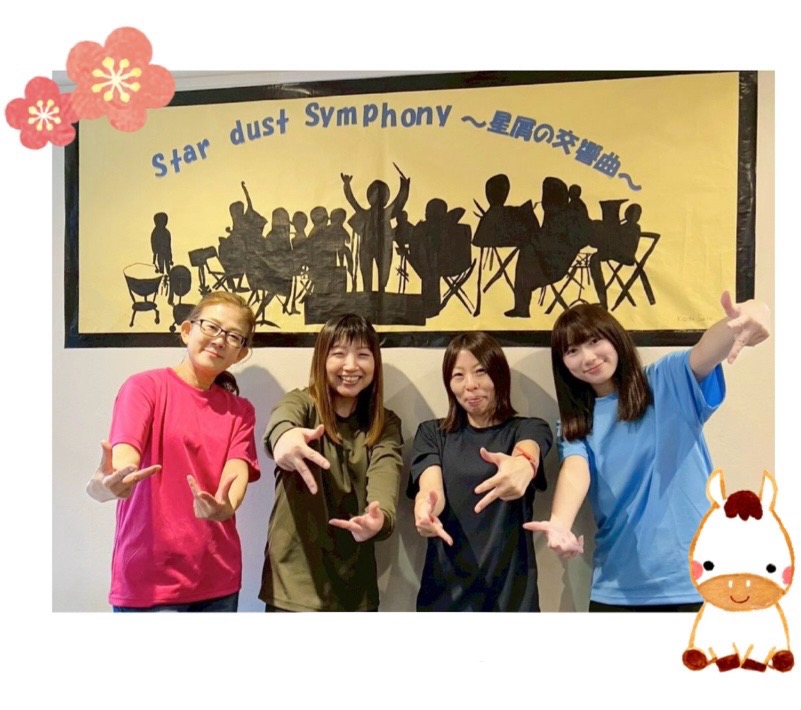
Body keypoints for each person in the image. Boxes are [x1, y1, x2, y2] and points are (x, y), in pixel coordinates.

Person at [525, 291, 770, 611]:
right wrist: (559, 523)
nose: (587, 357)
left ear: (615, 338)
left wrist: (750, 313)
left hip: (696, 580)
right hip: (616, 588)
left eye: (595, 341)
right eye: (572, 350)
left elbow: (706, 351)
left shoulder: (666, 381)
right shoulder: (576, 424)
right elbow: (575, 470)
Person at [86, 292, 260, 612]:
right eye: (211, 327)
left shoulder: (241, 411)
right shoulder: (144, 388)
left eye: (233, 336)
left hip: (218, 579)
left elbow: (236, 473)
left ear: (241, 353)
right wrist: (107, 485)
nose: (219, 340)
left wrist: (224, 507)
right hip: (148, 581)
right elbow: (124, 460)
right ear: (186, 330)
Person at [260, 313, 403, 611]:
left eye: (362, 354)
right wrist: (284, 441)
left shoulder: (385, 424)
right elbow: (282, 424)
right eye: (338, 353)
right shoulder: (301, 404)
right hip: (293, 582)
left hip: (355, 587)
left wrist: (379, 519)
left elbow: (385, 476)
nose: (351, 366)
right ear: (322, 359)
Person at [408, 332, 553, 611]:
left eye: (480, 371)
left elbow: (528, 452)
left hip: (511, 598)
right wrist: (425, 510)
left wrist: (524, 465)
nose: (470, 385)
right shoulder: (432, 434)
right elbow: (430, 488)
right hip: (445, 596)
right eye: (458, 375)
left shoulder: (528, 428)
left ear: (499, 375)